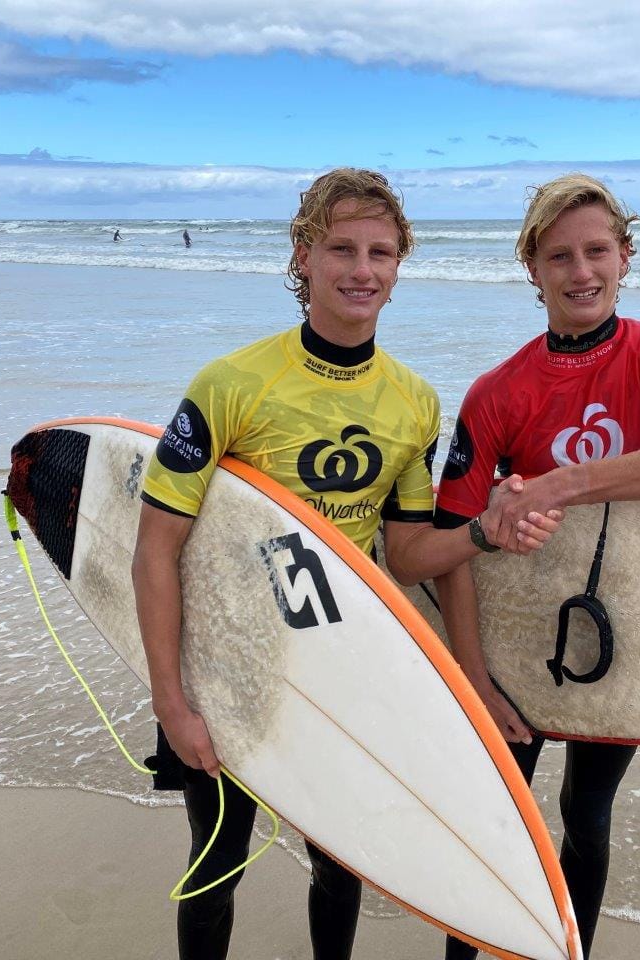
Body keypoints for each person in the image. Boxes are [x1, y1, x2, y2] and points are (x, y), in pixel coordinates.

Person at [130, 168, 561, 960]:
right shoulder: (230, 385)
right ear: (303, 258)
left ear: (400, 267)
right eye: (341, 248)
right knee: (217, 861)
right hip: (228, 662)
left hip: (339, 661)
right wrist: (171, 699)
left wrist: (487, 534)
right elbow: (156, 548)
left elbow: (407, 554)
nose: (362, 269)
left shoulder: (413, 402)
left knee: (342, 862)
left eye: (381, 252)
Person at [433, 173, 640, 959]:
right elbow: (448, 543)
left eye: (597, 251)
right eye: (559, 256)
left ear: (626, 257)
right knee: (493, 816)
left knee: (588, 814)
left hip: (625, 633)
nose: (581, 273)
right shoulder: (497, 393)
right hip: (514, 642)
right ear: (530, 269)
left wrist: (557, 483)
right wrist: (473, 672)